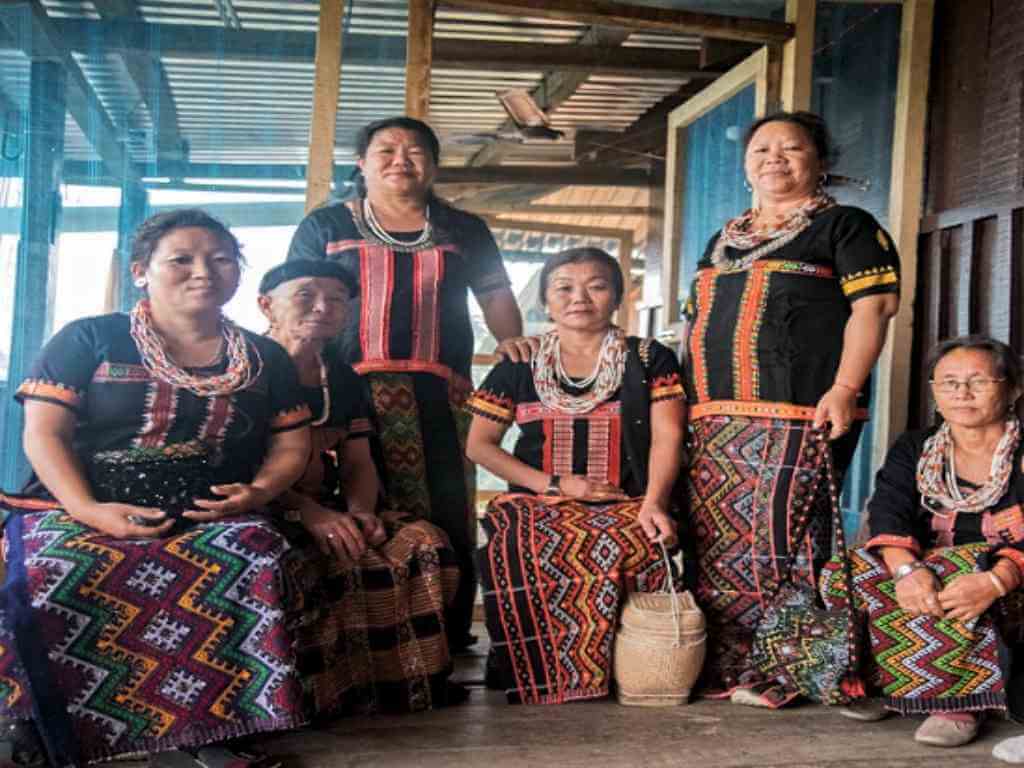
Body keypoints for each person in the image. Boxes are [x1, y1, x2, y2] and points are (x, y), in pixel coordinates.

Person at [0, 210, 311, 767]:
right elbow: (44, 433)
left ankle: (218, 732)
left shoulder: (265, 358)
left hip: (212, 510)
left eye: (220, 259)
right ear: (142, 271)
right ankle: (42, 724)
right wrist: (89, 510)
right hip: (78, 504)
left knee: (250, 559)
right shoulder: (89, 338)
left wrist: (260, 493)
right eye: (181, 259)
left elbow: (291, 446)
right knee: (51, 573)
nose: (203, 271)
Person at [682, 111, 900, 707]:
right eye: (761, 148)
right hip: (714, 418)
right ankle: (727, 665)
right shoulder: (723, 237)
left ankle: (790, 671)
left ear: (820, 159)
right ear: (745, 163)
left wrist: (845, 388)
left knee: (787, 540)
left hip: (802, 412)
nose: (775, 158)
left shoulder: (846, 227)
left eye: (792, 147)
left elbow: (872, 311)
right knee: (719, 545)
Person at [287, 116, 522, 649]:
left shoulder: (464, 229)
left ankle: (444, 632)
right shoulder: (325, 226)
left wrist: (513, 351)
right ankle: (367, 636)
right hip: (347, 389)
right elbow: (298, 295)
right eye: (386, 150)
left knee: (447, 508)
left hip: (443, 392)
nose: (400, 159)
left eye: (415, 151)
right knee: (360, 504)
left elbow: (496, 297)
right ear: (361, 164)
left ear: (433, 165)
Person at [465, 247, 685, 704]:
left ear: (618, 297)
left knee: (635, 538)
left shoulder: (649, 359)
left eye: (597, 285)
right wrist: (555, 485)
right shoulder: (519, 363)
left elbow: (668, 437)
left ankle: (625, 667)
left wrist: (655, 502)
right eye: (563, 287)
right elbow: (479, 446)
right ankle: (531, 668)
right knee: (516, 544)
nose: (579, 297)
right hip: (539, 500)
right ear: (546, 301)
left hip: (629, 500)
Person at [256, 259, 461, 715]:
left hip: (326, 504)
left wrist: (361, 510)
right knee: (303, 557)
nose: (322, 307)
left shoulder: (342, 378)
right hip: (261, 507)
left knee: (422, 542)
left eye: (335, 300)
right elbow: (237, 468)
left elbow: (358, 460)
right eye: (306, 296)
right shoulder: (245, 368)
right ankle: (306, 699)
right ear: (266, 305)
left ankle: (396, 687)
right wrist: (311, 516)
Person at [820, 336, 1024, 747]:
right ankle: (897, 686)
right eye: (948, 382)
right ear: (934, 390)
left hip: (1005, 574)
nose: (961, 393)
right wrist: (907, 571)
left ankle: (957, 703)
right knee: (846, 574)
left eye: (978, 381)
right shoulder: (915, 447)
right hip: (928, 568)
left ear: (1013, 388)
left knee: (963, 568)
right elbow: (888, 512)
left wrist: (998, 579)